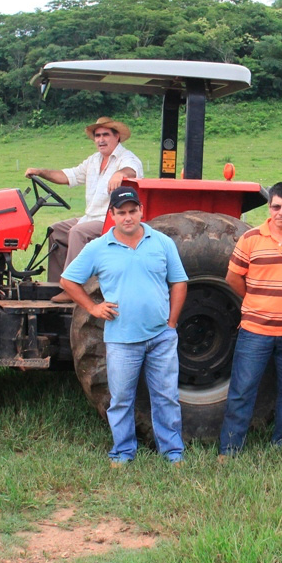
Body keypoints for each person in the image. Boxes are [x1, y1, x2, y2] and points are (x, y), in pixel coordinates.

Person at [60, 186, 188, 465]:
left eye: (133, 211)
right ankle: (123, 451)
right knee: (120, 399)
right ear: (112, 215)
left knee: (166, 396)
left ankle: (173, 451)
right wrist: (93, 307)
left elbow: (179, 282)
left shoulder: (162, 242)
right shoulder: (98, 248)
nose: (128, 217)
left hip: (160, 336)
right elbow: (68, 281)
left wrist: (172, 323)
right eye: (121, 213)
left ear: (141, 211)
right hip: (121, 340)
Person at [218, 182, 282, 457]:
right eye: (276, 206)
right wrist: (255, 298)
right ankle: (229, 449)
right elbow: (232, 278)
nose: (281, 212)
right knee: (242, 390)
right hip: (255, 330)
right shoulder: (251, 238)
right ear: (269, 207)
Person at [24, 117, 143, 298]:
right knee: (55, 230)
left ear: (117, 136)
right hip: (91, 217)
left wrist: (120, 174)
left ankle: (73, 287)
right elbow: (67, 176)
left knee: (78, 232)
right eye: (97, 136)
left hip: (110, 220)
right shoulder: (93, 161)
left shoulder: (126, 158)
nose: (101, 140)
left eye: (105, 135)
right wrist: (40, 172)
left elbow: (132, 170)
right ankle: (58, 284)